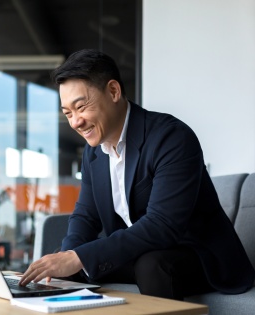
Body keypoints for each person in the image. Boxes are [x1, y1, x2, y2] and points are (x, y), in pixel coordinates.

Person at [18, 49, 255, 300]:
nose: (75, 121)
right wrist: (66, 257)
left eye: (81, 107)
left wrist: (79, 257)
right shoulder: (94, 152)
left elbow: (162, 226)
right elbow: (86, 215)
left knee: (151, 266)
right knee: (64, 264)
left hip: (196, 256)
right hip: (141, 252)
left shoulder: (171, 138)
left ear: (113, 91)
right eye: (68, 113)